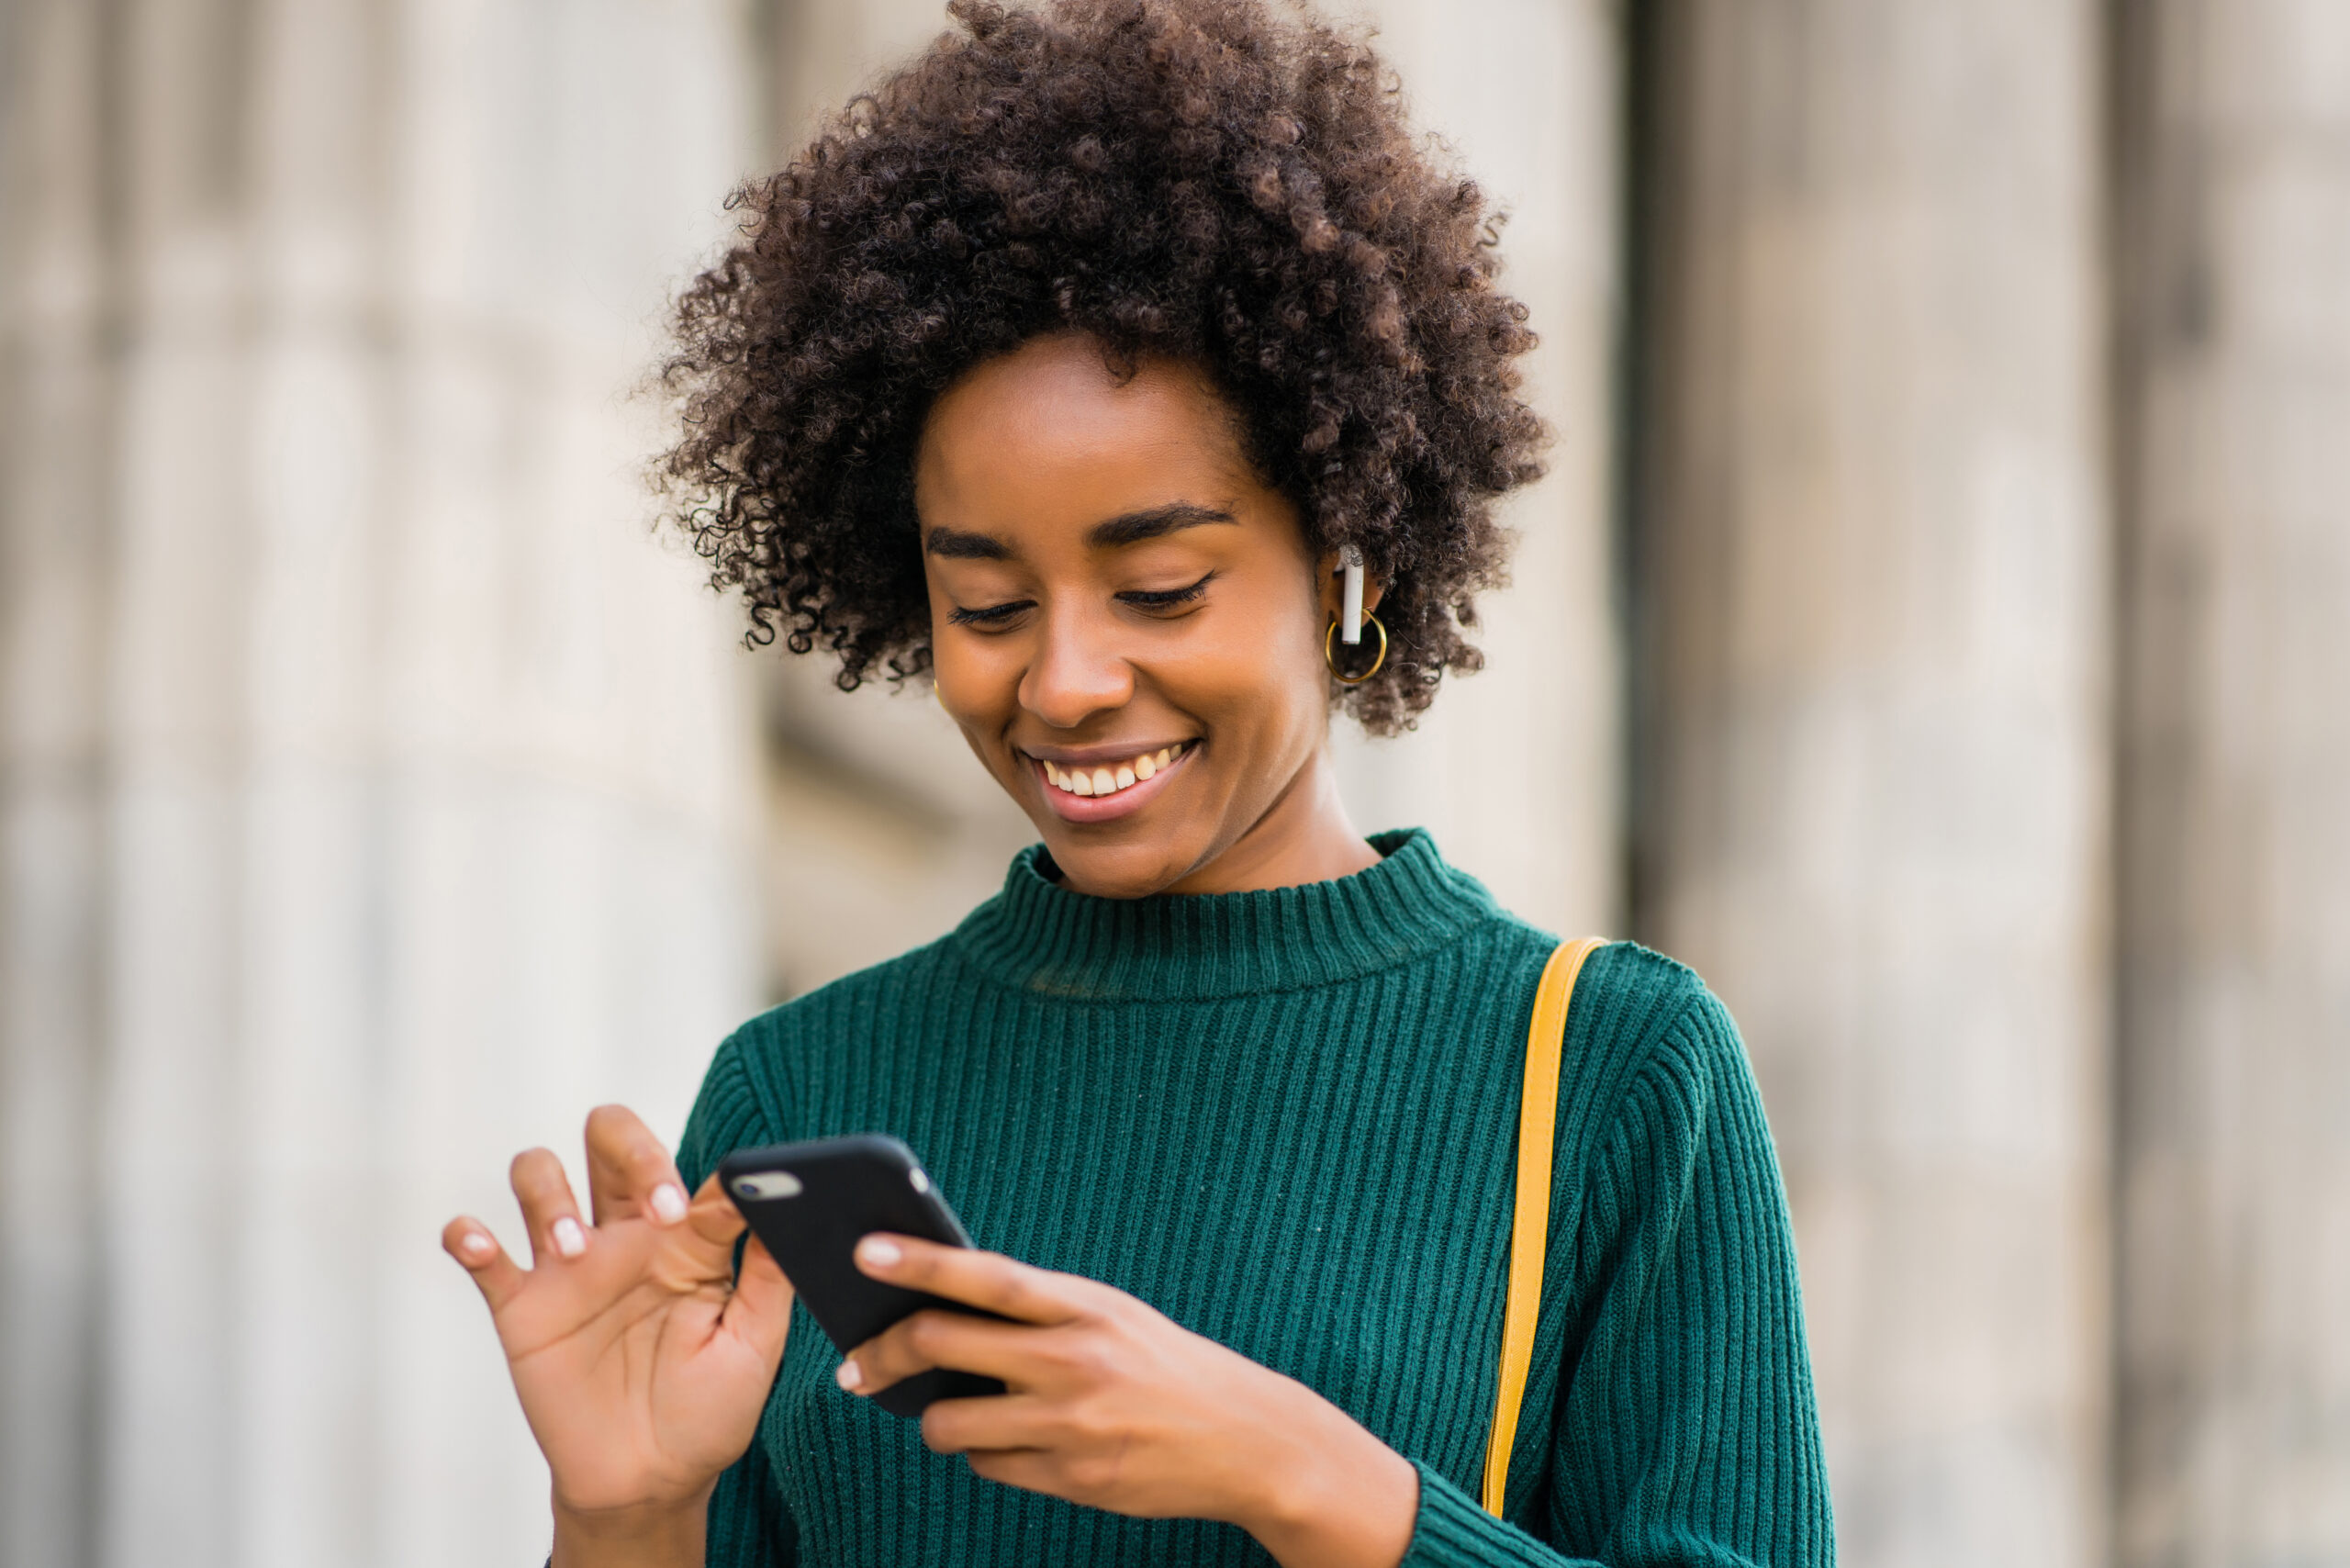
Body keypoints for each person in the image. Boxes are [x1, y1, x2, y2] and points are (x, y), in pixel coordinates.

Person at [441, 1, 1833, 1564]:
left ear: (1347, 564)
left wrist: (1310, 1477)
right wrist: (624, 1516)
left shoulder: (1612, 1072)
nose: (1064, 682)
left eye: (1161, 588)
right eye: (985, 604)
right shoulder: (797, 1094)